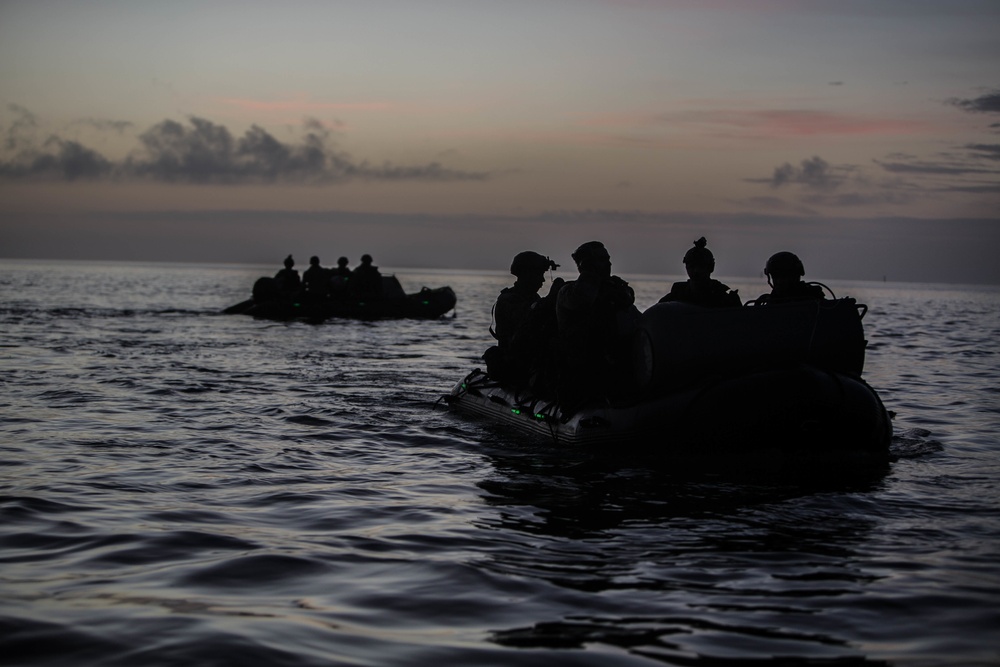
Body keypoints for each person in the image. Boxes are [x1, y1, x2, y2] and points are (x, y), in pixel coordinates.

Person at [555, 241, 641, 409]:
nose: (608, 263)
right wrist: (589, 274)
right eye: (602, 259)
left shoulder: (615, 288)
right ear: (586, 265)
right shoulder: (568, 292)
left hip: (615, 365)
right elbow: (583, 299)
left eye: (608, 258)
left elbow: (628, 298)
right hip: (582, 371)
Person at [483, 251, 561, 386]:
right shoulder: (508, 300)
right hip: (516, 365)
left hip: (534, 361)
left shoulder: (534, 299)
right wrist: (550, 299)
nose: (543, 280)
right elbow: (528, 319)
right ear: (526, 275)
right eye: (539, 275)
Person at [659, 237, 741, 308]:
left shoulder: (724, 299)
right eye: (691, 266)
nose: (696, 271)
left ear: (711, 267)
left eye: (701, 266)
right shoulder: (676, 296)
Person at [755, 251, 826, 305]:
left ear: (795, 276)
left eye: (784, 276)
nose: (779, 282)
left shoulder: (815, 301)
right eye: (775, 276)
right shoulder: (767, 301)